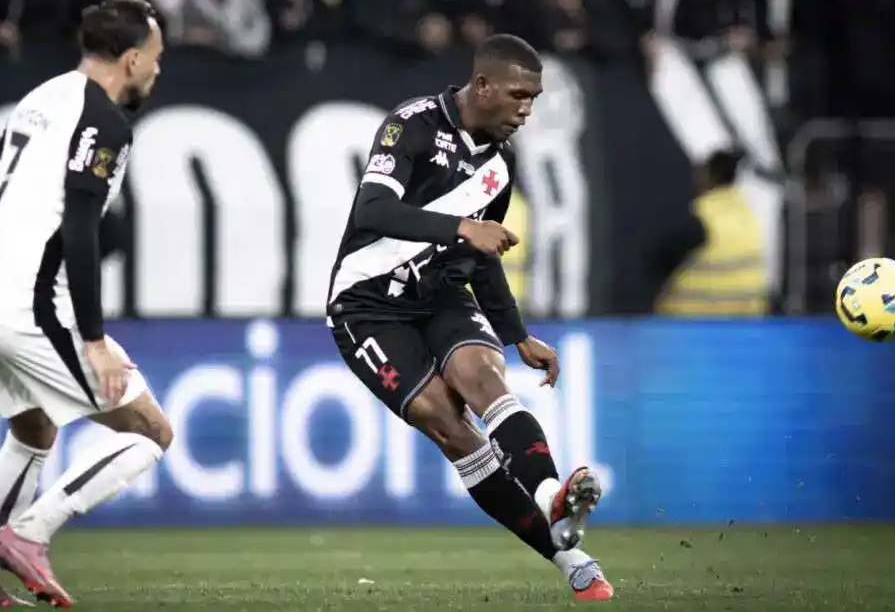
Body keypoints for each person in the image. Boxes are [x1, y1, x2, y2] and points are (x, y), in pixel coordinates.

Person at [326, 34, 613, 601]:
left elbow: (482, 260)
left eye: (534, 99)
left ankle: (555, 495)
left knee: (487, 378)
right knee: (451, 428)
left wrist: (517, 334)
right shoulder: (410, 125)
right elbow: (374, 208)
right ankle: (568, 557)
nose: (526, 111)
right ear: (482, 86)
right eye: (517, 96)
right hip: (368, 305)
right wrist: (461, 227)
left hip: (442, 294)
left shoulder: (501, 166)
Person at [0, 0, 172, 609]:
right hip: (29, 303)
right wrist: (94, 341)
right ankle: (27, 535)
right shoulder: (105, 122)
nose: (157, 69)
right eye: (154, 57)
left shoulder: (41, 98)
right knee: (150, 432)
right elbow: (80, 228)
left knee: (32, 431)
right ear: (130, 59)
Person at [656, 148, 767, 316]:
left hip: (698, 321)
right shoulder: (748, 214)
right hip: (746, 320)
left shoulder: (702, 218)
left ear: (710, 176)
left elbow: (660, 262)